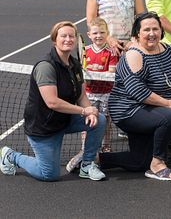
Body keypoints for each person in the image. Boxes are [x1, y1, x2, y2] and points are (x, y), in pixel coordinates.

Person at [1, 22, 106, 182]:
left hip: (64, 120)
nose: (68, 39)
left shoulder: (75, 65)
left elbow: (81, 95)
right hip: (45, 127)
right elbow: (52, 102)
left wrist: (89, 109)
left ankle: (87, 164)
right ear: (54, 40)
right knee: (48, 174)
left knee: (99, 120)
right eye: (63, 36)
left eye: (72, 36)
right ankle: (11, 155)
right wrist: (84, 111)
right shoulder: (46, 67)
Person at [100, 12, 171, 181]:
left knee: (138, 162)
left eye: (155, 29)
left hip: (151, 109)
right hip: (128, 110)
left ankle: (93, 159)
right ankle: (157, 164)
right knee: (170, 119)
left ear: (161, 31)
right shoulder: (134, 55)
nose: (152, 33)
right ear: (137, 33)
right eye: (146, 30)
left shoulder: (166, 49)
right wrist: (168, 103)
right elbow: (137, 91)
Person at [67, 18, 118, 171]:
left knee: (106, 121)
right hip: (89, 95)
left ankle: (106, 146)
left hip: (106, 94)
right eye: (95, 33)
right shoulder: (85, 51)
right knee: (88, 121)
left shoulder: (111, 52)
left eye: (102, 32)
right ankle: (85, 147)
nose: (99, 36)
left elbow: (111, 73)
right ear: (89, 34)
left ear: (107, 33)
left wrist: (91, 75)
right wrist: (86, 79)